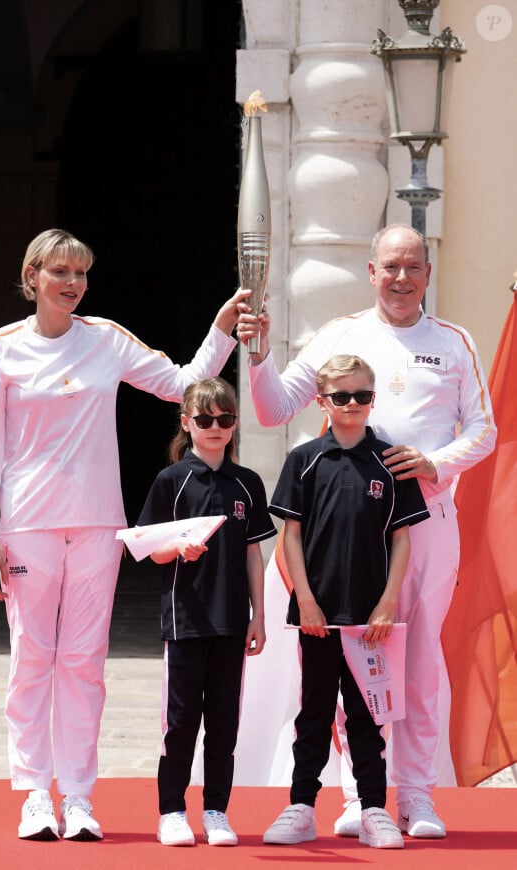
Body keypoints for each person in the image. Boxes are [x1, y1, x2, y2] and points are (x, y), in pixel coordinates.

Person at [0, 228, 244, 842]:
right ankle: (35, 794)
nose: (72, 284)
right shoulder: (0, 349)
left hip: (98, 521)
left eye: (81, 274)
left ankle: (79, 796)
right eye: (60, 272)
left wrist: (222, 329)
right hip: (27, 522)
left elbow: (181, 384)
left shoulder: (107, 341)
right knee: (32, 659)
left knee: (85, 663)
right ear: (32, 276)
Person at [237, 224, 496, 839]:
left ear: (427, 273)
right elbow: (274, 409)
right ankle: (360, 794)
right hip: (350, 532)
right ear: (371, 272)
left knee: (421, 661)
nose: (401, 278)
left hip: (425, 522)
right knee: (354, 658)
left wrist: (438, 464)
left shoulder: (454, 342)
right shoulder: (341, 337)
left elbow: (482, 430)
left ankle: (419, 796)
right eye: (390, 267)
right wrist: (259, 353)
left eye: (413, 267)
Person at [263, 354, 429, 850]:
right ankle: (301, 807)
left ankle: (374, 808)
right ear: (322, 402)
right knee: (312, 712)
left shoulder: (392, 461)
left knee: (367, 715)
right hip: (318, 619)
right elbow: (290, 536)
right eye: (341, 396)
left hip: (370, 623)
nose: (352, 404)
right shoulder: (305, 459)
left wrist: (387, 602)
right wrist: (305, 600)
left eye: (362, 395)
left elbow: (402, 539)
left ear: (372, 399)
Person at [136, 377, 276, 847]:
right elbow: (147, 549)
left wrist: (259, 615)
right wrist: (178, 547)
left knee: (223, 723)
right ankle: (171, 810)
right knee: (179, 723)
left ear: (235, 424)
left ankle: (216, 810)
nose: (215, 428)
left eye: (225, 419)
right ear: (186, 423)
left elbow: (255, 553)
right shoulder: (171, 481)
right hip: (184, 620)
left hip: (232, 620)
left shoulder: (247, 483)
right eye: (205, 420)